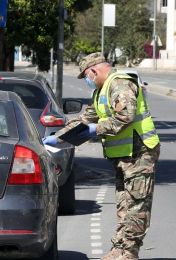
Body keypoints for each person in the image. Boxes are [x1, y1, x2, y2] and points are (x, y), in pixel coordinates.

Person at [43, 52, 160, 260]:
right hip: (124, 156)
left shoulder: (120, 84)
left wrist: (95, 130)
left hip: (139, 152)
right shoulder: (101, 91)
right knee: (124, 204)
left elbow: (125, 116)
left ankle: (129, 253)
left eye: (87, 76)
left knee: (136, 204)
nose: (87, 81)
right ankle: (119, 249)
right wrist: (58, 137)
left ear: (94, 71)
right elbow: (85, 119)